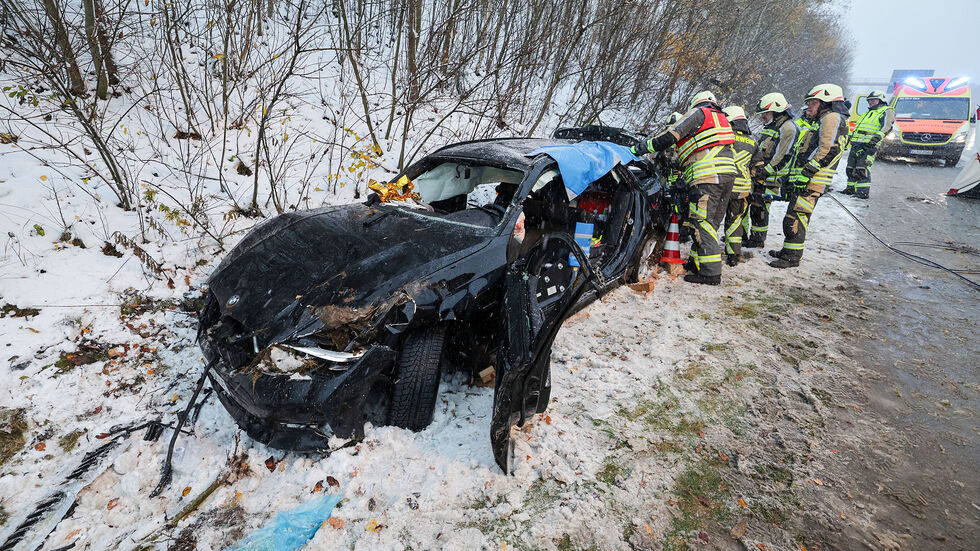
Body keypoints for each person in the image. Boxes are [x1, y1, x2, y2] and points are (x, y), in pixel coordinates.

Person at [631, 91, 737, 285]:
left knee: (701, 222)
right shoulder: (721, 119)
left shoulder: (699, 113)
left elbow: (670, 135)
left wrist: (641, 148)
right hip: (727, 176)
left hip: (707, 176)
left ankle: (711, 273)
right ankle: (697, 264)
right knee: (711, 223)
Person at [770, 84, 848, 269]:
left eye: (813, 103)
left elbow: (828, 150)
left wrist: (807, 174)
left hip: (812, 180)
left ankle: (791, 257)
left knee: (795, 219)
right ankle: (789, 251)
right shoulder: (825, 119)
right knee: (796, 217)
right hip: (808, 179)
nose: (809, 107)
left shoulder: (831, 118)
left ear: (826, 103)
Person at [744, 92, 799, 249]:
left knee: (760, 207)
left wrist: (764, 171)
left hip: (772, 176)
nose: (763, 117)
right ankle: (755, 238)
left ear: (776, 111)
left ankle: (757, 240)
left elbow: (782, 156)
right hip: (763, 174)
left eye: (766, 113)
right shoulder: (773, 126)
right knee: (755, 205)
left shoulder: (788, 128)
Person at [720, 106, 755, 266]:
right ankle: (734, 255)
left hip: (723, 186)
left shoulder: (724, 136)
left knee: (712, 220)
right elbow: (758, 166)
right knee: (735, 221)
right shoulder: (753, 142)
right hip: (742, 190)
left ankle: (707, 253)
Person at [844, 90, 894, 198]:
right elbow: (857, 129)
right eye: (869, 100)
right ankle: (850, 189)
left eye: (874, 100)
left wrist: (875, 139)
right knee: (850, 168)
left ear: (881, 100)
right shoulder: (866, 114)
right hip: (856, 144)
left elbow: (887, 126)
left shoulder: (886, 111)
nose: (871, 102)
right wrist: (849, 141)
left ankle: (862, 193)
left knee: (862, 168)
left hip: (869, 145)